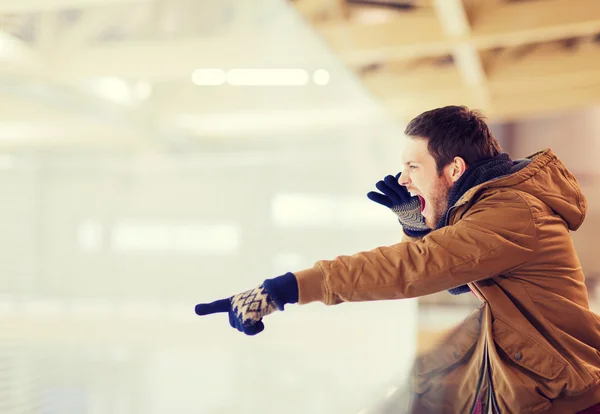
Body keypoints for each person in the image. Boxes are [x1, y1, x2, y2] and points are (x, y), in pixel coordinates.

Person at [195, 105, 600, 413]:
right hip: (539, 382)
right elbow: (454, 275)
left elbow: (416, 268)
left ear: (454, 169)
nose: (404, 179)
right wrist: (418, 225)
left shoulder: (510, 213)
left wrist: (284, 289)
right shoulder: (491, 207)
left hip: (566, 392)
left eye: (413, 166)